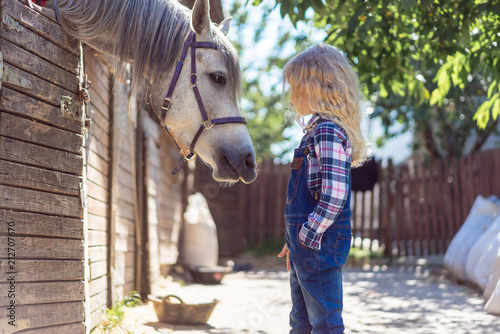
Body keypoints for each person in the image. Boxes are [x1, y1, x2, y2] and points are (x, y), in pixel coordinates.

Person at [277, 44, 370, 334]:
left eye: (295, 86)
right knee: (301, 321)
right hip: (306, 242)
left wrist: (306, 235)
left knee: (326, 323)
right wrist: (293, 241)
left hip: (318, 241)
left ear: (316, 86)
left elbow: (334, 193)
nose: (291, 95)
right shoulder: (314, 133)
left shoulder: (327, 131)